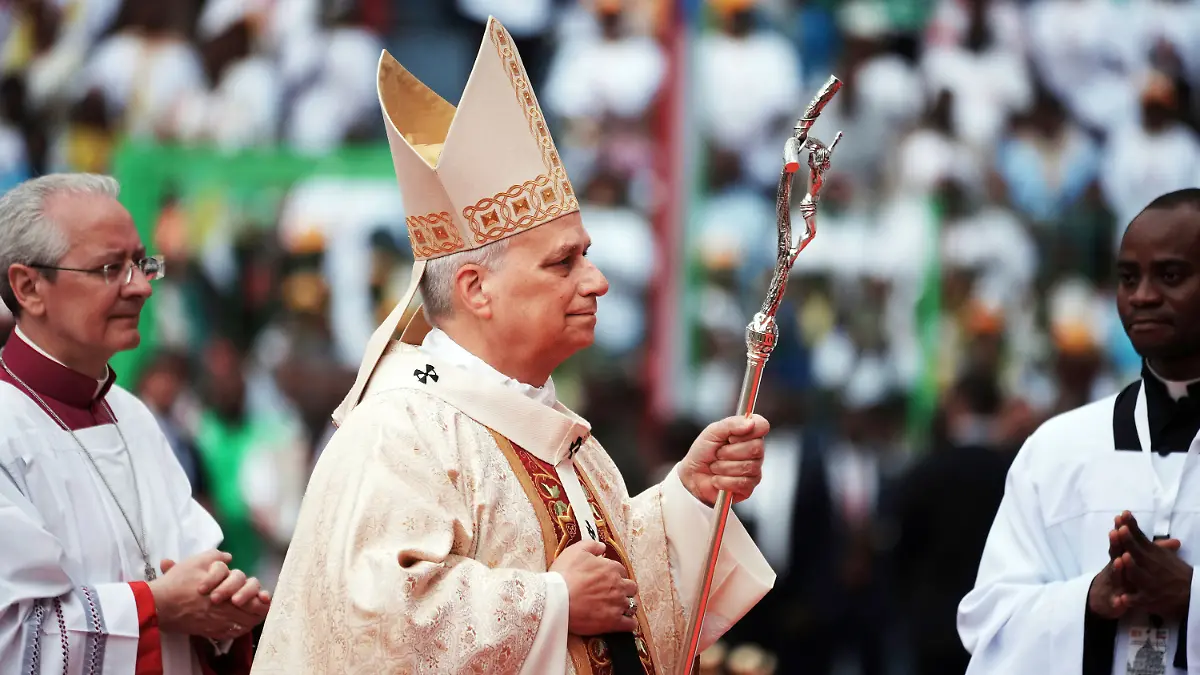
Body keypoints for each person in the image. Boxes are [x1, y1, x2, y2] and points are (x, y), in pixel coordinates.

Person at [251, 17, 775, 675]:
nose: (598, 281)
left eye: (588, 255)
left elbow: (617, 610)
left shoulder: (562, 439)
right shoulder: (401, 431)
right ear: (476, 288)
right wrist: (550, 601)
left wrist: (691, 498)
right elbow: (376, 627)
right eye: (564, 263)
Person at [0, 173, 270, 674]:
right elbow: (17, 642)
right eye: (110, 269)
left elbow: (197, 566)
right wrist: (158, 607)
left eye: (143, 264)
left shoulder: (134, 413)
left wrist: (225, 613)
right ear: (28, 287)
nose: (142, 287)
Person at [958, 187, 1200, 675]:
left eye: (1170, 275)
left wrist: (1190, 598)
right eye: (1128, 278)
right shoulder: (1056, 450)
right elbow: (988, 627)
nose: (1143, 296)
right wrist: (1089, 600)